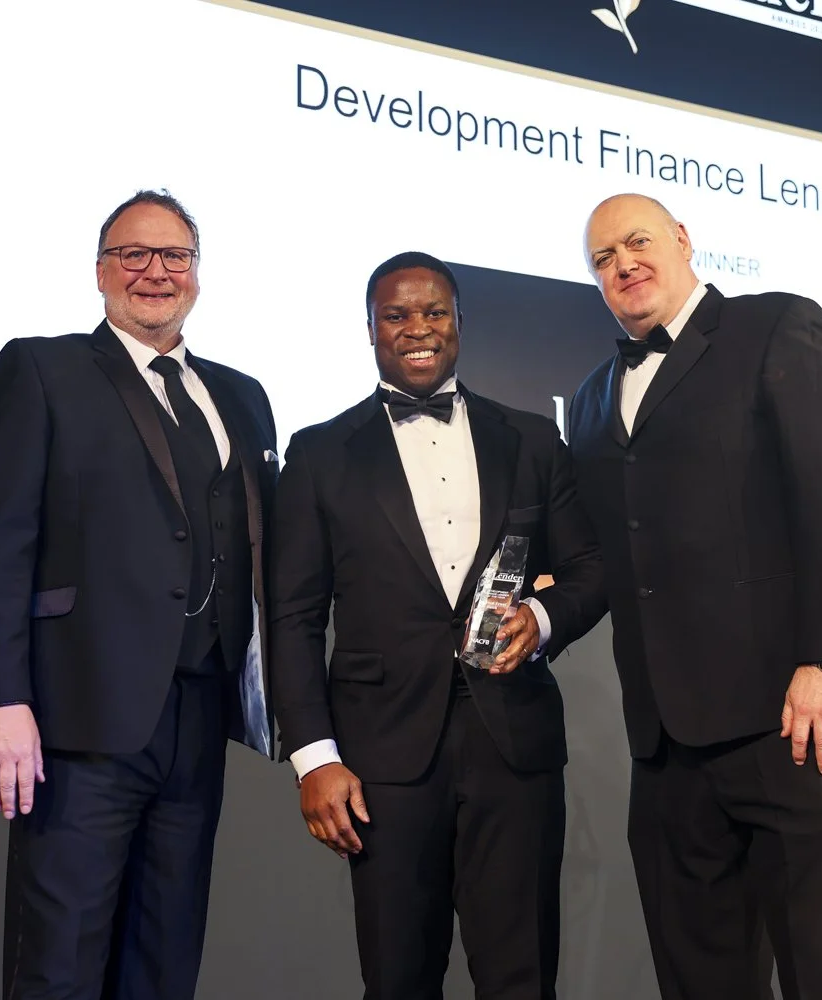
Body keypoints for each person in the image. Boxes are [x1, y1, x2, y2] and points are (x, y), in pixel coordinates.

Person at [0, 189, 278, 1000]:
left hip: (199, 717)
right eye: (133, 254)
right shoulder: (42, 368)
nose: (155, 271)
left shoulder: (241, 395)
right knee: (59, 965)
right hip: (78, 720)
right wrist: (0, 698)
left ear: (197, 273)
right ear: (101, 271)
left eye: (174, 256)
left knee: (164, 963)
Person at [567, 193, 822, 1000]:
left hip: (792, 721)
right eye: (603, 258)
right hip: (667, 750)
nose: (623, 264)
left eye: (637, 242)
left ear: (682, 239)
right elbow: (606, 557)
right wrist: (539, 609)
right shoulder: (591, 399)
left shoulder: (775, 326)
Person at [269, 251, 607, 1000]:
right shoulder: (319, 452)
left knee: (522, 979)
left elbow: (591, 567)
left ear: (459, 322)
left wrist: (542, 617)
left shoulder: (530, 438)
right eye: (396, 315)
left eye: (434, 312)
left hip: (514, 745)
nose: (417, 328)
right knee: (398, 980)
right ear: (370, 329)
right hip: (380, 758)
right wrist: (314, 758)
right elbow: (292, 618)